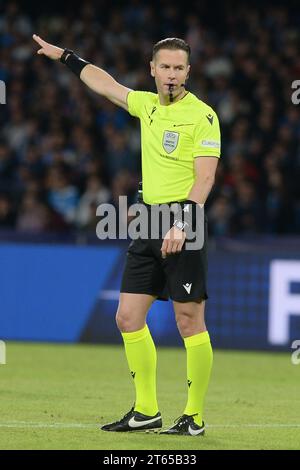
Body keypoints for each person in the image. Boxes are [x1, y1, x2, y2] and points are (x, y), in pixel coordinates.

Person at [33, 34, 221, 436]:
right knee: (128, 317)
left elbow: (205, 178)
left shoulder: (202, 116)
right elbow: (106, 84)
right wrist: (67, 57)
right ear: (152, 70)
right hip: (149, 222)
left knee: (189, 322)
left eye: (178, 68)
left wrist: (184, 223)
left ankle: (194, 417)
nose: (171, 75)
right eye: (164, 67)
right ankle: (146, 409)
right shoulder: (147, 106)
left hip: (183, 222)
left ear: (188, 72)